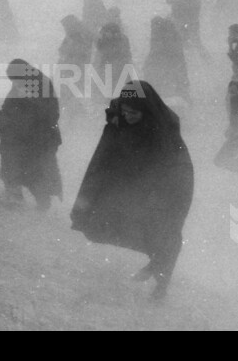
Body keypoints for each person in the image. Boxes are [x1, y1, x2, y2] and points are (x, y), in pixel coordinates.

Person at [71, 81, 194, 301]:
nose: (127, 117)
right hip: (140, 177)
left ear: (146, 111)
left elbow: (166, 165)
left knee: (163, 230)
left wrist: (148, 191)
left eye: (133, 113)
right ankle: (156, 261)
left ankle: (161, 284)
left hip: (172, 182)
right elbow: (115, 116)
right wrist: (115, 117)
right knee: (121, 217)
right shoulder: (123, 112)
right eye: (125, 111)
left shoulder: (163, 128)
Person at [0, 59, 63, 211]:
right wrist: (3, 118)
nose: (15, 83)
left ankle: (42, 203)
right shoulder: (22, 82)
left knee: (35, 171)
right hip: (20, 137)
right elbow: (10, 106)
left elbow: (49, 113)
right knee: (13, 165)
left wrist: (23, 119)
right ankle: (14, 195)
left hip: (38, 138)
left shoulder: (41, 84)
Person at [142, 16, 189, 103]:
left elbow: (162, 47)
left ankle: (182, 93)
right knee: (178, 75)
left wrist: (153, 58)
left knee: (177, 75)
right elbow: (155, 48)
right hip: (169, 57)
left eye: (153, 26)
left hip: (171, 57)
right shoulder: (159, 32)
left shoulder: (165, 32)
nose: (152, 29)